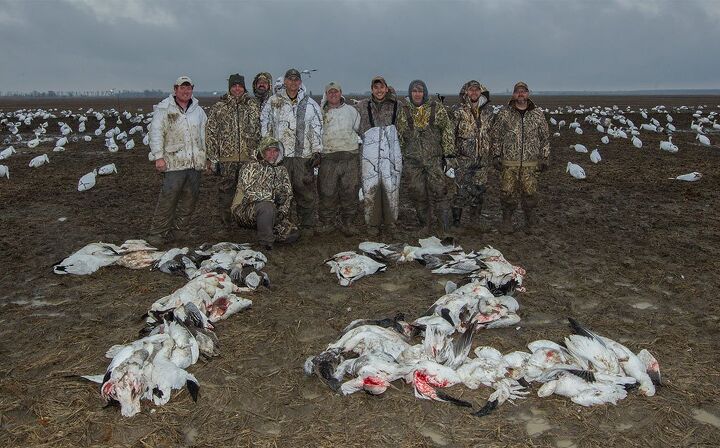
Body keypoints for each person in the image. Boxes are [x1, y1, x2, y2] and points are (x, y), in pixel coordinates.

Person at [260, 68, 323, 237]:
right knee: (281, 193)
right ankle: (281, 224)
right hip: (281, 157)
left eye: (296, 80)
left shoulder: (310, 103)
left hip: (304, 157)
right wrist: (268, 149)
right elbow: (265, 125)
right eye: (290, 79)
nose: (293, 82)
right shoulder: (274, 102)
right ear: (285, 81)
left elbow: (317, 127)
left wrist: (317, 150)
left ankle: (307, 225)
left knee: (305, 192)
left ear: (300, 83)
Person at [147, 75, 208, 245]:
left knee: (189, 200)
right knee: (168, 199)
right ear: (175, 89)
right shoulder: (164, 109)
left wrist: (207, 157)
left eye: (189, 88)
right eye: (182, 87)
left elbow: (205, 135)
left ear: (192, 89)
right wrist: (159, 157)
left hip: (195, 163)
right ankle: (157, 234)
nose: (186, 91)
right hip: (174, 162)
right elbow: (156, 133)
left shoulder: (198, 110)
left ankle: (180, 232)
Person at [396, 79, 454, 236]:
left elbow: (447, 129)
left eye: (420, 91)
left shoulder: (436, 108)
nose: (417, 94)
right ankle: (425, 226)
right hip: (412, 162)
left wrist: (448, 154)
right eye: (414, 91)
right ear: (410, 93)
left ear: (425, 92)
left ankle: (445, 228)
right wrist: (402, 155)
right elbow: (400, 135)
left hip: (433, 159)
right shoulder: (404, 110)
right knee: (417, 193)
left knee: (440, 192)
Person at [491, 81, 550, 234]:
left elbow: (545, 137)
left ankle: (530, 223)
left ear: (528, 94)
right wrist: (496, 155)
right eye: (518, 91)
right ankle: (507, 222)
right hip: (509, 161)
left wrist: (544, 157)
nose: (521, 94)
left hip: (531, 162)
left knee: (530, 193)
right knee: (507, 192)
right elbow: (496, 136)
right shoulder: (504, 113)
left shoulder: (537, 114)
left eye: (523, 91)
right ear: (513, 94)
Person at [205, 73, 261, 229]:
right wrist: (213, 157)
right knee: (226, 193)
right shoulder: (219, 107)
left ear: (244, 87)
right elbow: (211, 133)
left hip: (248, 158)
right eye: (234, 86)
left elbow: (259, 131)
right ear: (230, 88)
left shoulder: (252, 105)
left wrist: (257, 155)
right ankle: (226, 224)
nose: (237, 88)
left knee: (247, 193)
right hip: (227, 159)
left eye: (240, 86)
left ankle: (246, 223)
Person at [231, 137, 299, 250]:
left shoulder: (282, 170)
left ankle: (266, 228)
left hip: (271, 211)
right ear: (262, 151)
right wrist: (273, 197)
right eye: (269, 150)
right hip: (244, 209)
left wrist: (282, 212)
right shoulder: (250, 166)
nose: (272, 154)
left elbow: (288, 194)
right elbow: (250, 193)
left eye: (276, 150)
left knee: (293, 233)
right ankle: (266, 243)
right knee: (267, 207)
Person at [355, 76, 403, 237]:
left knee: (391, 187)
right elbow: (354, 125)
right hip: (370, 153)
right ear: (372, 90)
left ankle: (391, 223)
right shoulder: (362, 106)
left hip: (391, 152)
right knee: (371, 187)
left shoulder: (397, 106)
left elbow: (404, 129)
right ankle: (373, 224)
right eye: (376, 88)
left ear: (387, 88)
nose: (379, 90)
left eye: (382, 87)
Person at [318, 81, 362, 236]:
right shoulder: (320, 112)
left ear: (340, 92)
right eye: (330, 92)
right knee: (327, 191)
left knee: (349, 191)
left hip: (349, 156)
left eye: (336, 91)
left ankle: (347, 223)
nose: (333, 94)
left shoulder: (351, 111)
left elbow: (358, 129)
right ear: (326, 94)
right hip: (328, 156)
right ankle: (327, 223)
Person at [451, 80, 495, 230]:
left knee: (479, 190)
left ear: (481, 92)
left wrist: (492, 153)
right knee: (460, 190)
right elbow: (450, 134)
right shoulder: (458, 110)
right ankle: (456, 222)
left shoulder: (488, 111)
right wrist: (450, 155)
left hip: (482, 159)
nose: (474, 93)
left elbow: (492, 134)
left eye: (477, 90)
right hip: (463, 159)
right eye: (471, 90)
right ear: (466, 92)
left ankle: (474, 221)